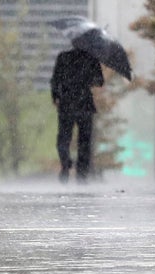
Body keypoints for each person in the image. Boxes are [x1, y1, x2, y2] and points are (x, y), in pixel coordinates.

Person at [50, 48, 104, 183]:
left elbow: (55, 80)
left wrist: (55, 96)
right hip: (84, 104)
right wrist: (87, 78)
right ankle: (81, 172)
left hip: (66, 103)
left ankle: (65, 163)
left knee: (63, 137)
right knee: (84, 140)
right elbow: (99, 81)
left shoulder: (63, 57)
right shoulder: (91, 58)